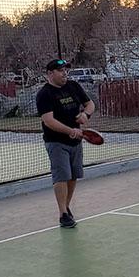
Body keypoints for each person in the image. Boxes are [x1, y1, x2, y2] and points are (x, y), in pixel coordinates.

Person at [35, 59, 95, 228]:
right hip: (56, 142)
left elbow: (90, 104)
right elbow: (48, 121)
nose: (65, 74)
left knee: (73, 176)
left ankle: (66, 208)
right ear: (50, 74)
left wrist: (86, 115)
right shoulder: (44, 94)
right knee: (62, 176)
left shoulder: (73, 87)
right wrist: (70, 131)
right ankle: (63, 214)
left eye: (66, 71)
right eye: (60, 71)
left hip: (76, 141)